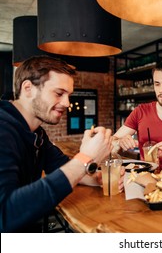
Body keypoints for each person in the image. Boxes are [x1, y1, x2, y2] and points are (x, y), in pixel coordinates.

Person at [0, 56, 117, 232]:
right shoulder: (3, 129)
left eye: (68, 95)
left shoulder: (37, 134)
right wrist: (86, 158)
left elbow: (61, 166)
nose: (67, 103)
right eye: (59, 93)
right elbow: (5, 214)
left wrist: (97, 177)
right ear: (28, 88)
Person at [113, 59, 162, 159]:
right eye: (157, 84)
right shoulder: (140, 112)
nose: (161, 90)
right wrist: (119, 142)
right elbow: (111, 143)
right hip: (145, 173)